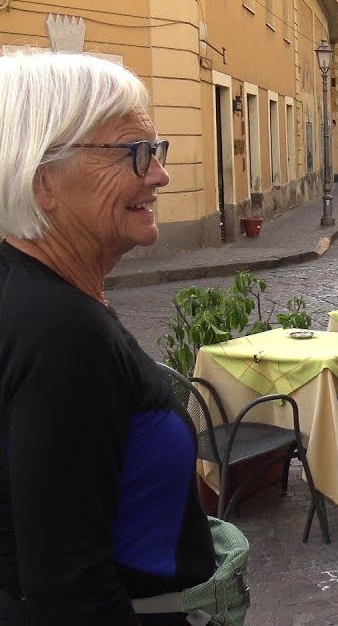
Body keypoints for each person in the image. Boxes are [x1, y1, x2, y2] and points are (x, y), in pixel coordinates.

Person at [0, 51, 228, 624]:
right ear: (43, 181)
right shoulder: (62, 335)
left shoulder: (33, 294)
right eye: (135, 153)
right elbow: (70, 590)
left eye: (156, 151)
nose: (159, 174)